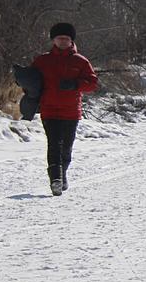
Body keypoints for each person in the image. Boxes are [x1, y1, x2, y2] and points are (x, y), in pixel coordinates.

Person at [30, 22, 98, 196]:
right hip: (49, 110)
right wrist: (23, 82)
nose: (63, 41)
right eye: (59, 38)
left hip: (71, 112)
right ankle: (55, 180)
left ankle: (62, 174)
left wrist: (75, 84)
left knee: (66, 148)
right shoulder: (42, 60)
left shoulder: (80, 61)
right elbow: (31, 81)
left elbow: (92, 83)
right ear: (53, 40)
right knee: (54, 145)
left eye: (66, 39)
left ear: (71, 41)